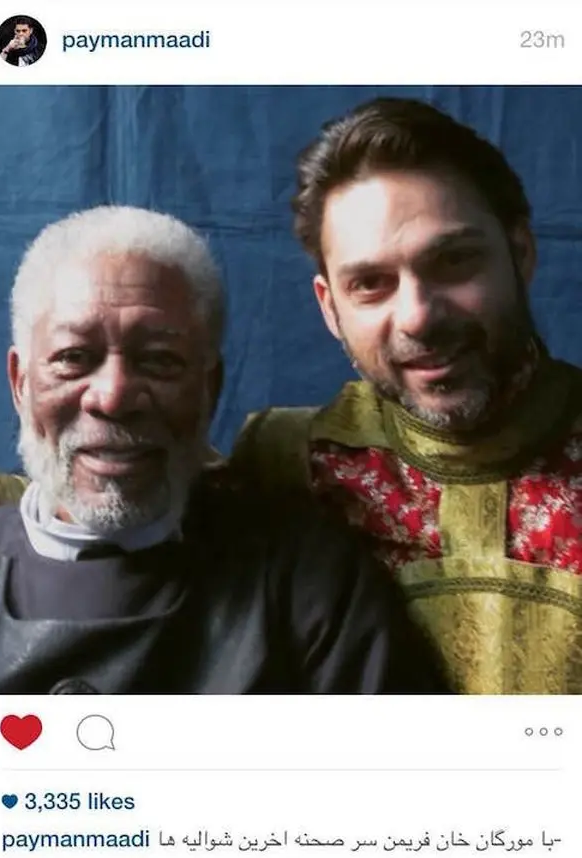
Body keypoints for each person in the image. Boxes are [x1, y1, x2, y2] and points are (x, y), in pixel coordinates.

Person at [0, 204, 449, 694]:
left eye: (159, 360)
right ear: (20, 383)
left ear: (210, 387)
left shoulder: (308, 581)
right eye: (74, 358)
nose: (114, 396)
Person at [230, 97, 582, 694]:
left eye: (454, 262)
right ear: (330, 308)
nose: (418, 316)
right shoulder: (283, 468)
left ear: (520, 255)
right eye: (371, 283)